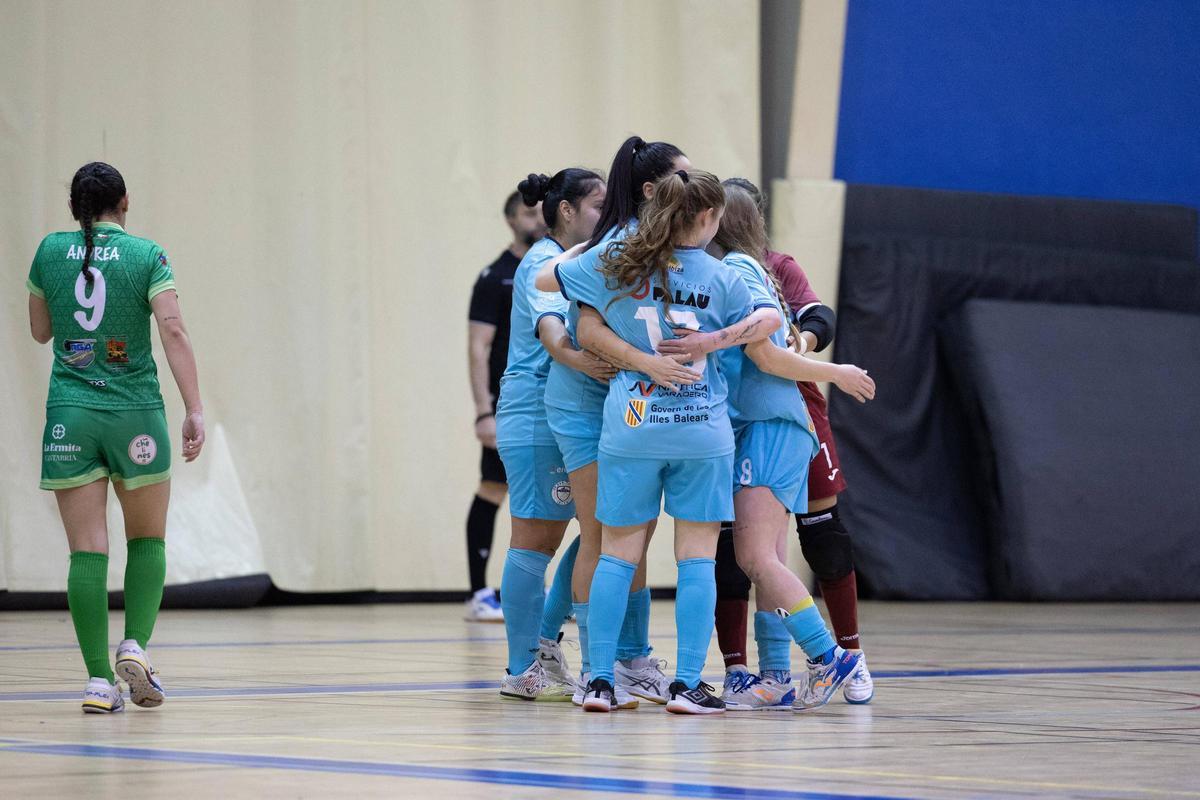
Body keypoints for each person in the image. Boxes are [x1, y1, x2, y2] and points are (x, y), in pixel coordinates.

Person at [542, 169, 776, 714]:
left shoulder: (617, 261)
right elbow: (767, 319)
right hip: (701, 430)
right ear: (709, 217)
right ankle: (687, 683)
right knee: (696, 558)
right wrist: (712, 341)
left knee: (617, 554)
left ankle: (600, 681)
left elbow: (550, 281)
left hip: (632, 425)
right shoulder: (722, 276)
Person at [686, 180, 873, 711]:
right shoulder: (740, 268)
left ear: (715, 221)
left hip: (769, 425)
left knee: (754, 555)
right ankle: (775, 674)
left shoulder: (738, 269)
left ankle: (829, 657)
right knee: (764, 556)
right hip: (762, 426)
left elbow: (768, 354)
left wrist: (834, 371)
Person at [25, 162, 205, 713]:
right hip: (135, 415)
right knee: (147, 540)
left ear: (73, 208)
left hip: (71, 415)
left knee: (87, 550)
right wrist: (195, 408)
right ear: (125, 202)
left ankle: (99, 683)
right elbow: (172, 329)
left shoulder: (49, 251)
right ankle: (135, 646)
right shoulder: (147, 255)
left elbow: (40, 331)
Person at [543, 135, 695, 706]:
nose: (692, 186)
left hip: (627, 405)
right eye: (682, 177)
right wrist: (634, 359)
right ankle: (596, 667)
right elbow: (558, 294)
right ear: (652, 190)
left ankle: (630, 659)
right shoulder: (617, 244)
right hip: (585, 403)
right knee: (602, 536)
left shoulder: (667, 242)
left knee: (635, 534)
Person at [495, 168, 613, 701]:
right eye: (598, 206)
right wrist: (584, 360)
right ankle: (522, 667)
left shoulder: (581, 260)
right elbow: (551, 332)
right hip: (535, 415)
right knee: (535, 539)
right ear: (566, 211)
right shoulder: (544, 261)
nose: (607, 216)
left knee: (597, 530)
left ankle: (543, 642)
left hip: (567, 412)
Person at [464, 192, 546, 622]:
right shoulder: (495, 278)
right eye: (528, 213)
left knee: (549, 494)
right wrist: (484, 410)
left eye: (541, 212)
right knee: (493, 488)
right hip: (507, 404)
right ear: (510, 220)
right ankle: (479, 592)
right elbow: (478, 347)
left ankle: (542, 591)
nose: (537, 220)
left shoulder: (554, 267)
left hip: (549, 401)